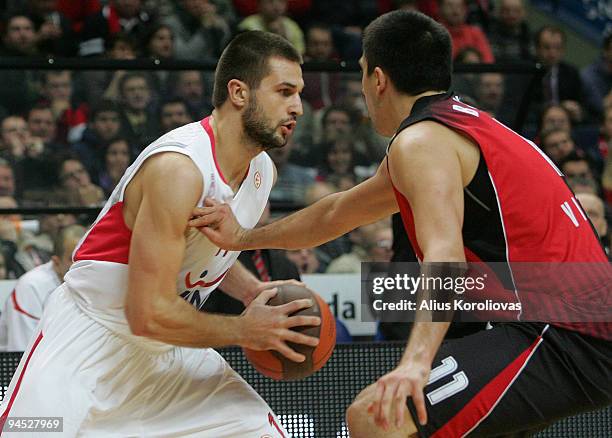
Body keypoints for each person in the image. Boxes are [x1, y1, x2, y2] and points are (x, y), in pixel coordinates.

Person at [191, 11, 612, 437]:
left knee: (377, 418)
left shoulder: (421, 142)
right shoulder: (459, 126)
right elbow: (335, 214)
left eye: (360, 75)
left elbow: (445, 257)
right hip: (568, 322)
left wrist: (415, 363)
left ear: (377, 79)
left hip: (564, 330)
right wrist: (244, 237)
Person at [0, 30, 319, 437]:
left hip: (168, 352)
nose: (298, 107)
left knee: (259, 430)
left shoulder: (262, 172)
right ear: (239, 92)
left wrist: (250, 292)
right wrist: (245, 329)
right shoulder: (179, 168)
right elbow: (147, 313)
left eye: (299, 93)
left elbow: (200, 251)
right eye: (285, 91)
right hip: (88, 342)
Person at [0, 224, 86, 352]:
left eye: (88, 257)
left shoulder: (95, 282)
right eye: (74, 259)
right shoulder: (31, 286)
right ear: (56, 262)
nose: (84, 264)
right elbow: (23, 351)